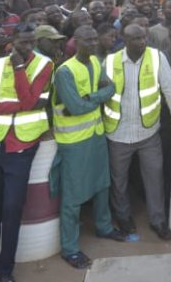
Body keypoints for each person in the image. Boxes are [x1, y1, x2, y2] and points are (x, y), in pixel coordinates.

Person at [0, 22, 53, 282]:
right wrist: (18, 105)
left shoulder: (44, 65)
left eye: (32, 42)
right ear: (12, 40)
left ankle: (5, 271)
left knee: (11, 209)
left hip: (23, 145)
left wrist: (20, 68)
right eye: (23, 42)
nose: (28, 47)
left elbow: (32, 102)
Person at [52, 25, 127, 270]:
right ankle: (70, 248)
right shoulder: (65, 71)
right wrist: (96, 98)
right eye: (88, 39)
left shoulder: (95, 61)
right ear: (76, 42)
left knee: (101, 185)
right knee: (72, 197)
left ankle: (104, 227)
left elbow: (111, 87)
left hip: (95, 135)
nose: (94, 43)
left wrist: (91, 97)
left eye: (95, 38)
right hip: (73, 142)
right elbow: (76, 108)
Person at [103, 24, 171, 241]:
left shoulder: (156, 58)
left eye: (143, 37)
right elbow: (100, 92)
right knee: (118, 180)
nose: (142, 42)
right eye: (136, 39)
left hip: (148, 133)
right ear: (124, 39)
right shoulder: (110, 61)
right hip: (117, 134)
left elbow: (169, 88)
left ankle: (157, 220)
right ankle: (123, 217)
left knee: (154, 177)